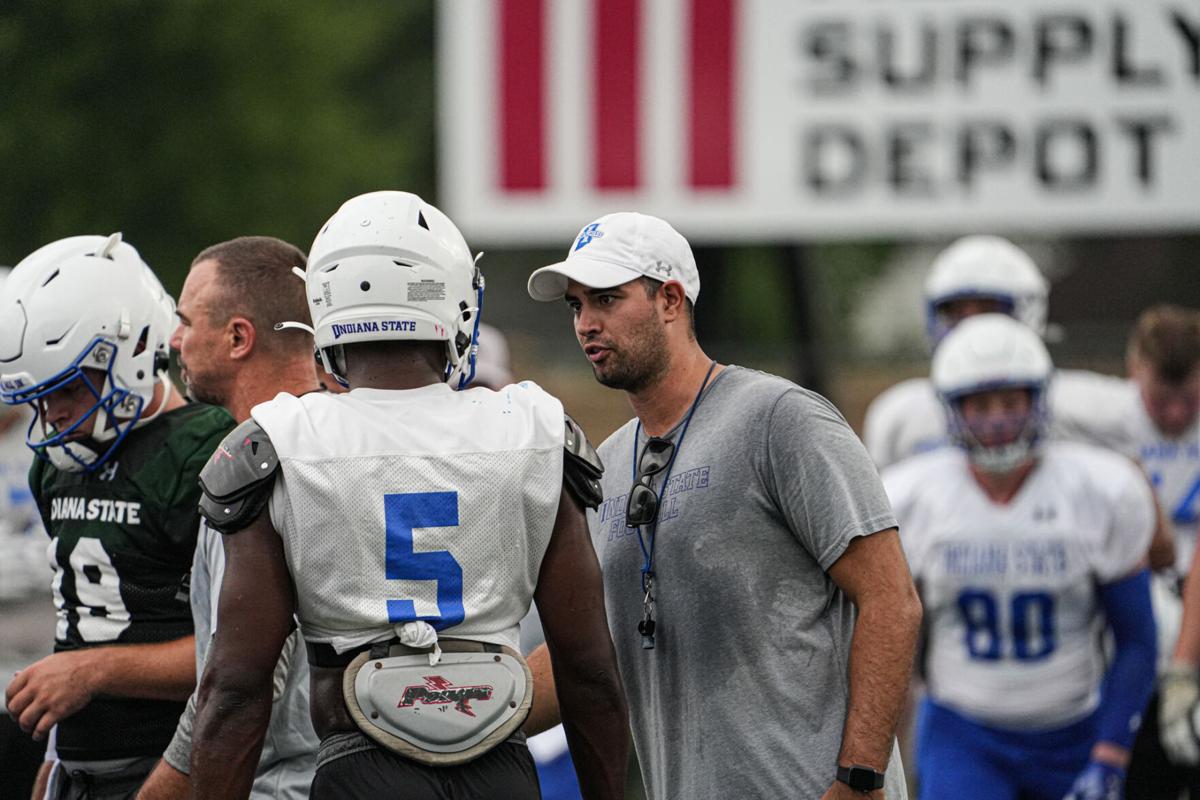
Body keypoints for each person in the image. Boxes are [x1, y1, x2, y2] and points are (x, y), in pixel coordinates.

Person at [189, 191, 629, 800]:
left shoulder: (282, 441)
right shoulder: (534, 429)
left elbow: (235, 690)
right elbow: (589, 669)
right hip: (499, 774)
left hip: (360, 773)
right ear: (455, 300)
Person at [525, 211, 922, 799]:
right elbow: (590, 656)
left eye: (607, 299)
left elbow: (892, 600)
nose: (587, 323)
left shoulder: (780, 419)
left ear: (670, 300)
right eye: (576, 306)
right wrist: (451, 717)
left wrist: (859, 779)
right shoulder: (605, 468)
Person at [884, 313, 1158, 800]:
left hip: (1073, 731)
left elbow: (1135, 637)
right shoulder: (911, 495)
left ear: (1040, 399)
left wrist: (1111, 752)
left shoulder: (1101, 490)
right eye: (981, 404)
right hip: (963, 733)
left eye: (1011, 401)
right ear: (952, 409)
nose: (996, 419)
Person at [0, 234, 234, 798]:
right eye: (40, 398)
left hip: (174, 757)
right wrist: (58, 760)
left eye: (69, 391)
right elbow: (78, 621)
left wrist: (94, 671)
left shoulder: (202, 453)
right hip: (81, 767)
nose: (53, 417)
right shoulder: (56, 464)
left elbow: (245, 652)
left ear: (129, 352)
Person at [135, 236, 322, 800]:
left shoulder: (256, 463)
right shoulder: (343, 442)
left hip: (285, 783)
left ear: (239, 337)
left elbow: (238, 688)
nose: (175, 339)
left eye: (186, 320)